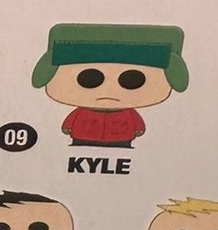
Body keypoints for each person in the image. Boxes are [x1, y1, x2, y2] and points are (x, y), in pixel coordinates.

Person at [32, 22, 189, 147]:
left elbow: (138, 126)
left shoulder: (127, 114)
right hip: (82, 137)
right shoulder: (83, 112)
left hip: (122, 139)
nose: (108, 92)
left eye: (132, 80)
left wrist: (138, 129)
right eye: (89, 79)